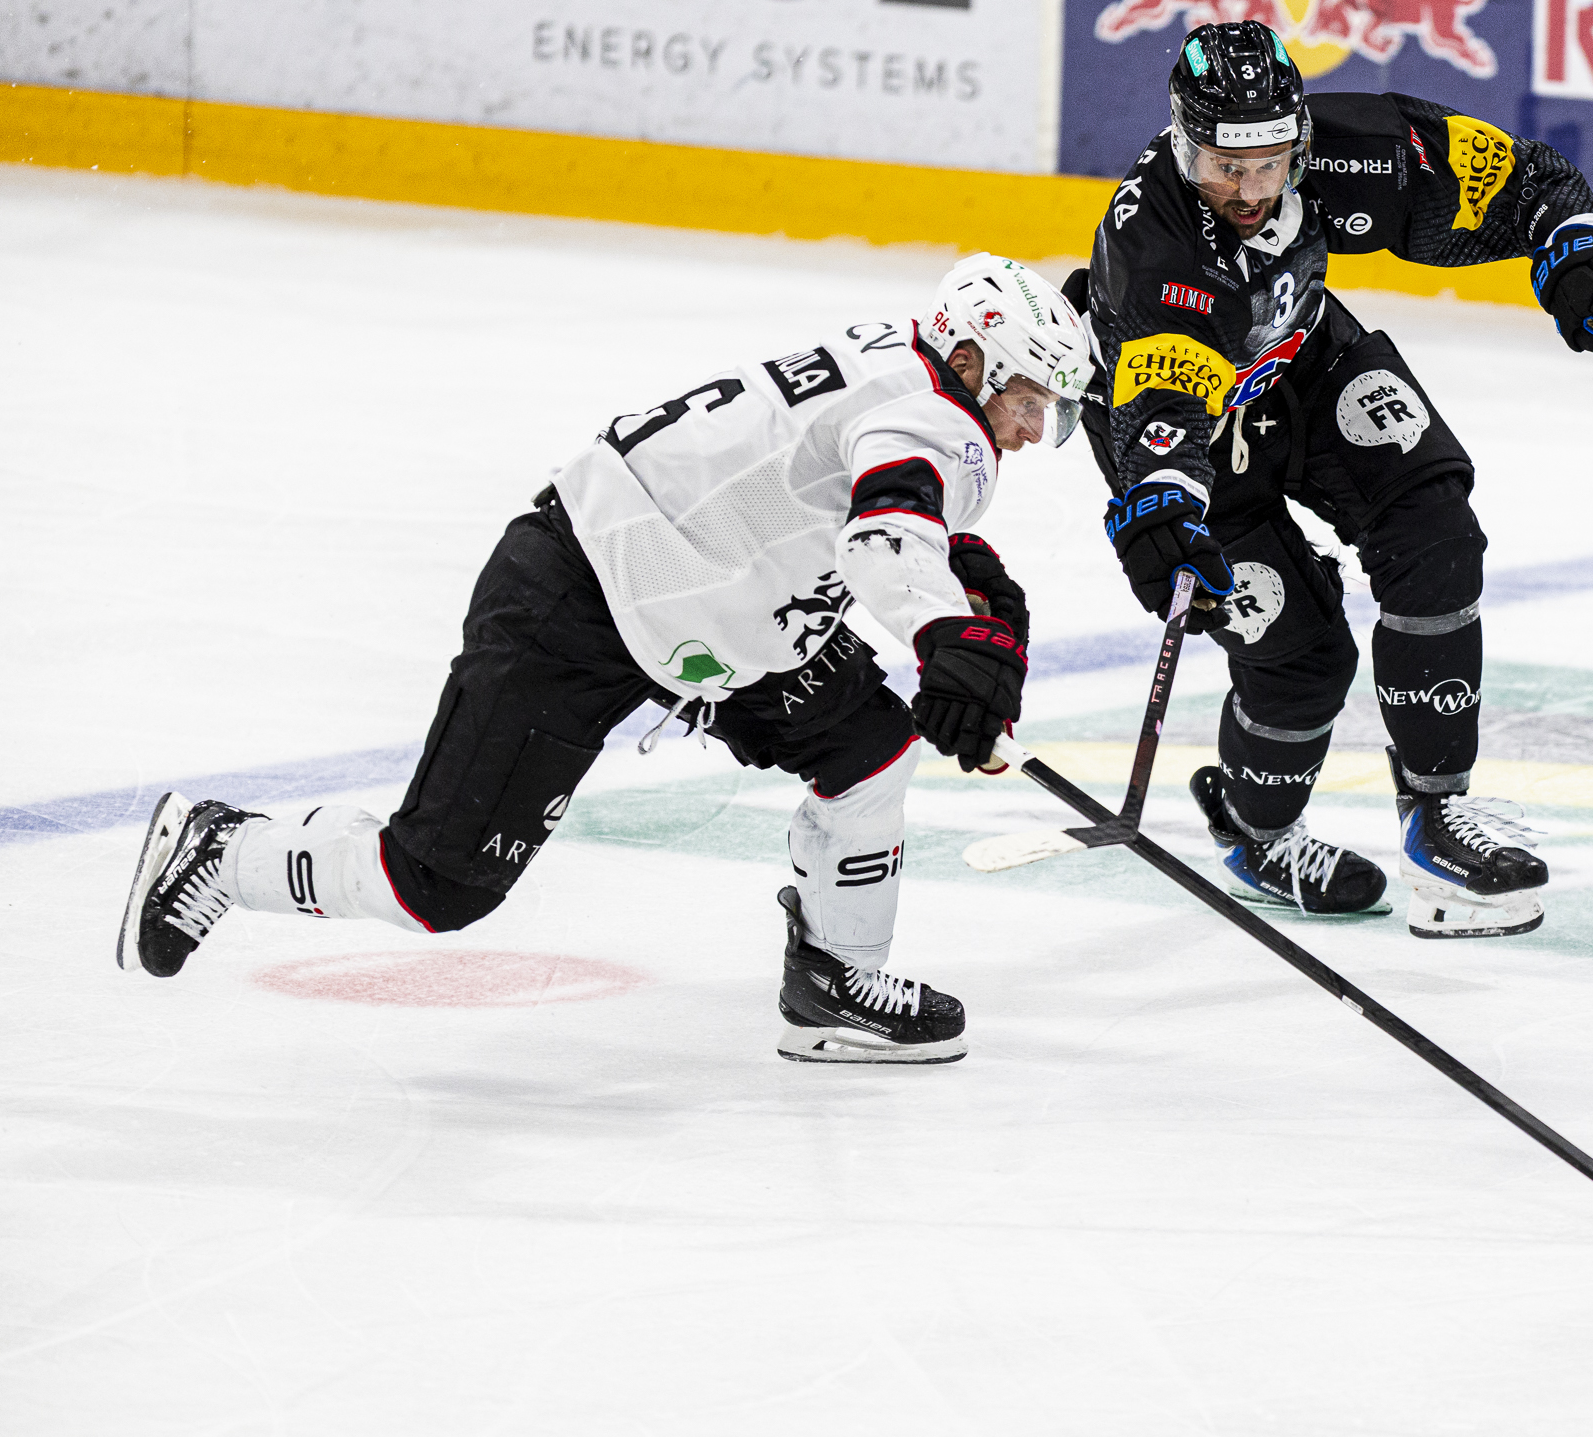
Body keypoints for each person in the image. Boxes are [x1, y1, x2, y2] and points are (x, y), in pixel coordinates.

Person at [117, 255, 1089, 1063]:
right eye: (1026, 398)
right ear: (971, 359)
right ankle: (224, 852)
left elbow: (858, 489)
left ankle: (834, 981)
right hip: (579, 602)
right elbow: (883, 536)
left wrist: (969, 584)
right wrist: (947, 636)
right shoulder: (941, 421)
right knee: (432, 886)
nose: (1031, 429)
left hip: (692, 590)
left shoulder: (901, 364)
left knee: (868, 747)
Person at [1072, 20, 1593, 938]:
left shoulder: (1351, 148)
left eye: (1270, 164)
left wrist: (1578, 250)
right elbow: (1166, 403)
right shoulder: (1152, 246)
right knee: (1302, 657)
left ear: (1300, 139)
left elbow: (1525, 179)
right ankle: (1255, 832)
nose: (1249, 191)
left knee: (1436, 531)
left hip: (1303, 362)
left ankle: (1438, 819)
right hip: (1185, 427)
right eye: (1224, 168)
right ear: (1184, 144)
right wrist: (1159, 506)